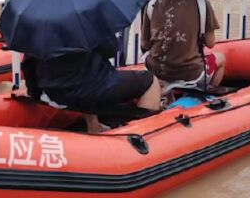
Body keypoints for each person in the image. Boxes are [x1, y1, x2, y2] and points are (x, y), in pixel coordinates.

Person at [23, 35, 161, 134]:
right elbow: (111, 49)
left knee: (85, 77)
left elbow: (28, 64)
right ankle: (142, 138)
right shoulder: (87, 17)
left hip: (54, 91)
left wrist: (35, 93)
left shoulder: (38, 26)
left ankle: (93, 125)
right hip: (91, 87)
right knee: (150, 81)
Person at [141, 0, 226, 92]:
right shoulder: (202, 5)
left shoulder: (152, 5)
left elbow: (145, 44)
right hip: (191, 74)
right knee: (221, 58)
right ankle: (206, 96)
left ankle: (166, 96)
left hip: (157, 72)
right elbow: (210, 43)